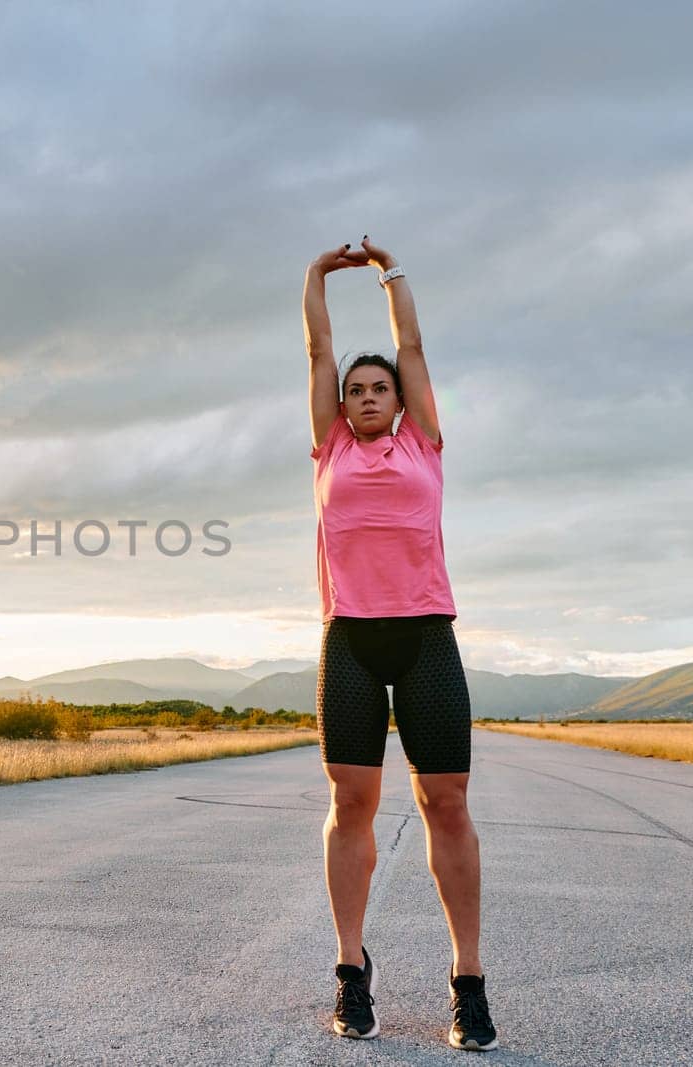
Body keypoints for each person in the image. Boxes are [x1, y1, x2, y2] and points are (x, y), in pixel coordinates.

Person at [300, 237, 498, 1052]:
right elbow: (316, 345)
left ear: (402, 401)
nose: (370, 394)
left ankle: (469, 981)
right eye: (357, 389)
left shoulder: (424, 443)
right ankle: (351, 970)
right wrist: (315, 276)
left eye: (381, 386)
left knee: (444, 804)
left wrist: (390, 275)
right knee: (352, 805)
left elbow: (411, 344)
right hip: (350, 640)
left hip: (425, 637)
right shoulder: (331, 446)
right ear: (342, 405)